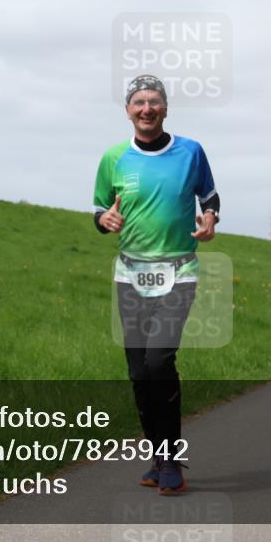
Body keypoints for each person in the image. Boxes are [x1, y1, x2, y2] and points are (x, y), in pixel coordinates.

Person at [93, 74, 219, 495]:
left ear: (165, 108)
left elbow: (210, 197)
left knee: (159, 361)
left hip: (179, 271)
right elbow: (99, 207)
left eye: (154, 101)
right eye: (138, 102)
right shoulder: (113, 157)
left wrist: (210, 219)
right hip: (130, 275)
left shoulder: (191, 152)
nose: (146, 108)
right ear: (128, 110)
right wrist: (102, 220)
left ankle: (170, 458)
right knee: (138, 373)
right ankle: (159, 453)